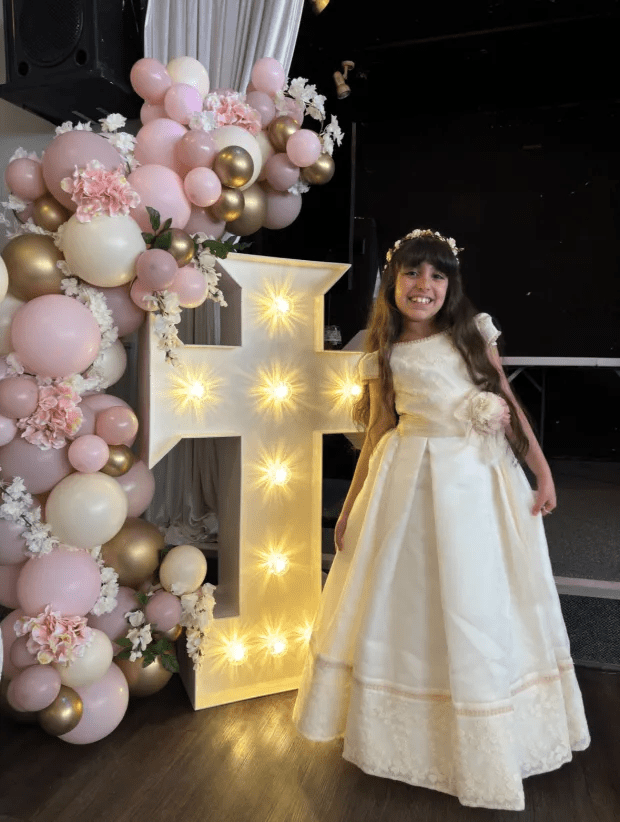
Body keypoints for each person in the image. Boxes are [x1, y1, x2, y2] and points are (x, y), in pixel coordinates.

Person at [292, 229, 590, 812]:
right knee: (413, 599)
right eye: (411, 273)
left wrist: (542, 470)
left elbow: (505, 400)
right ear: (392, 282)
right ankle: (415, 735)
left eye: (435, 275)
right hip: (409, 484)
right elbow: (377, 432)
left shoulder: (474, 335)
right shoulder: (383, 354)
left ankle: (489, 728)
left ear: (450, 286)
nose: (422, 285)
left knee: (478, 598)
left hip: (478, 482)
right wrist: (350, 504)